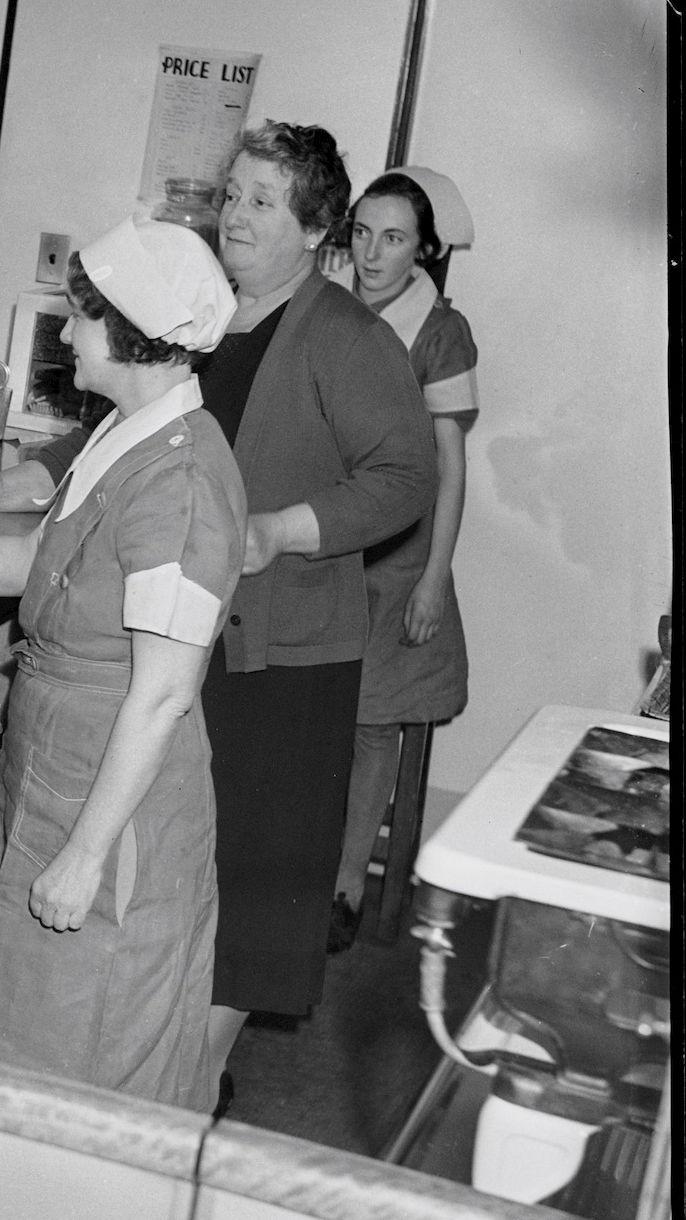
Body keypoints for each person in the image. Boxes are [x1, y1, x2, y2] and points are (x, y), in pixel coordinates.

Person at [0, 219, 245, 1112]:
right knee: (2, 1022)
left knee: (75, 1053)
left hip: (112, 802)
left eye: (82, 319)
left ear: (132, 332)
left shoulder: (181, 486)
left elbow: (167, 692)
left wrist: (87, 854)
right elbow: (44, 565)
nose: (65, 336)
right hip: (50, 773)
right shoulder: (125, 436)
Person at [197, 123, 436, 1106]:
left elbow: (405, 475)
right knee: (190, 874)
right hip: (198, 639)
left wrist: (283, 529)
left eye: (261, 200)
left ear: (312, 227)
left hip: (286, 661)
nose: (236, 214)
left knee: (252, 895)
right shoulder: (205, 315)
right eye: (233, 194)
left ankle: (193, 1082)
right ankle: (168, 1071)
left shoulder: (343, 334)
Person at [326, 169, 479, 950]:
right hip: (328, 544)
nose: (373, 252)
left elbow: (452, 469)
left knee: (370, 727)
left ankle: (346, 886)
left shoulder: (439, 331)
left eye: (393, 238)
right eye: (361, 233)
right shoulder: (329, 306)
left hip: (399, 560)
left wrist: (433, 578)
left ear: (423, 248)